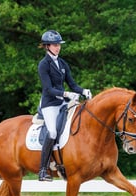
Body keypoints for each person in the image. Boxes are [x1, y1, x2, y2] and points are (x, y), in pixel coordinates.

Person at [37, 30, 92, 181]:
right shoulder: (43, 64)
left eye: (59, 45)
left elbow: (72, 84)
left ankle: (65, 162)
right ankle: (43, 169)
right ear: (47, 46)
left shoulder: (62, 63)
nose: (58, 47)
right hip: (50, 104)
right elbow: (48, 89)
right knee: (53, 132)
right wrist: (66, 94)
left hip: (62, 102)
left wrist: (83, 91)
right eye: (55, 45)